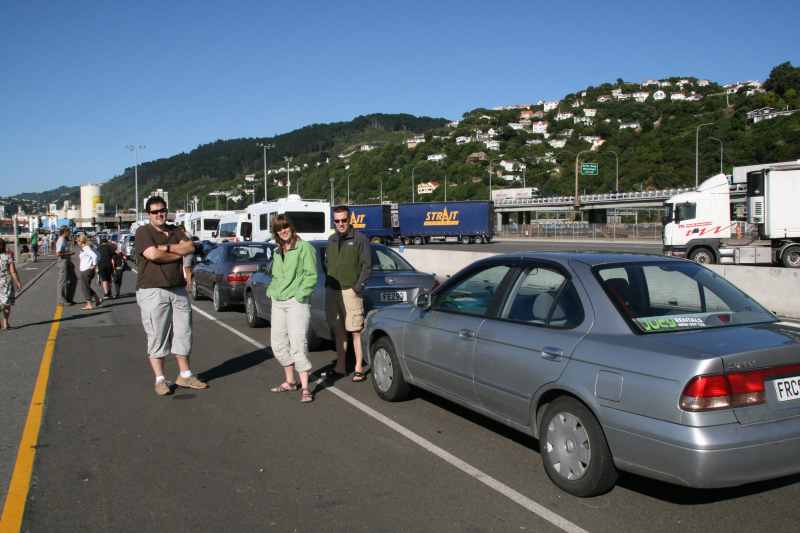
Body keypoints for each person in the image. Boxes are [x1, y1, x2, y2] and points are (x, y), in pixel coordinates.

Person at [135, 196, 207, 396]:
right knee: (157, 335)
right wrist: (177, 252)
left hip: (178, 289)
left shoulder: (176, 230)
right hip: (152, 290)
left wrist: (165, 248)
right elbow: (152, 255)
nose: (159, 214)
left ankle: (185, 375)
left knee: (184, 333)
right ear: (148, 214)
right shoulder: (143, 232)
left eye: (162, 210)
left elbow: (190, 247)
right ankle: (160, 379)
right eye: (155, 212)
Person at [267, 214, 318, 403]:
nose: (283, 231)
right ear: (276, 232)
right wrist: (272, 291)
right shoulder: (277, 251)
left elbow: (311, 275)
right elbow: (275, 276)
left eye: (285, 226)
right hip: (278, 301)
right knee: (278, 344)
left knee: (298, 344)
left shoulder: (304, 247)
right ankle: (290, 381)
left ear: (291, 227)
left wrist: (299, 295)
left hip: (296, 302)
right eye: (279, 229)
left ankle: (305, 387)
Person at [325, 205, 371, 382]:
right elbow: (327, 263)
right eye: (337, 221)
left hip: (350, 291)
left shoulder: (360, 239)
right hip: (333, 291)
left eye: (343, 220)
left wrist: (357, 287)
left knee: (355, 330)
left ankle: (359, 368)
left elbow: (367, 266)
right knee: (339, 331)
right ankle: (340, 367)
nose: (340, 224)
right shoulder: (331, 240)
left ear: (350, 219)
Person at [0, 239, 23, 330]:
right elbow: (13, 271)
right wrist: (18, 282)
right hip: (6, 283)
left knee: (2, 303)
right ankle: (5, 323)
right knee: (7, 303)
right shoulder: (8, 256)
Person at [77, 235, 102, 310]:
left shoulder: (86, 248)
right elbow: (97, 255)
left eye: (78, 241)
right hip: (85, 269)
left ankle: (89, 304)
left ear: (81, 241)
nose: (77, 242)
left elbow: (95, 256)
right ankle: (97, 299)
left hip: (86, 270)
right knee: (86, 286)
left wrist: (94, 265)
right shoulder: (85, 248)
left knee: (84, 287)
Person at [55, 227, 77, 306]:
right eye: (69, 232)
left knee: (73, 279)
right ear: (65, 232)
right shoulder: (61, 240)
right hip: (63, 261)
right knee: (62, 281)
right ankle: (61, 300)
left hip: (68, 260)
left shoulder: (65, 239)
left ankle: (69, 298)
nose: (70, 233)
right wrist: (69, 253)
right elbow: (58, 253)